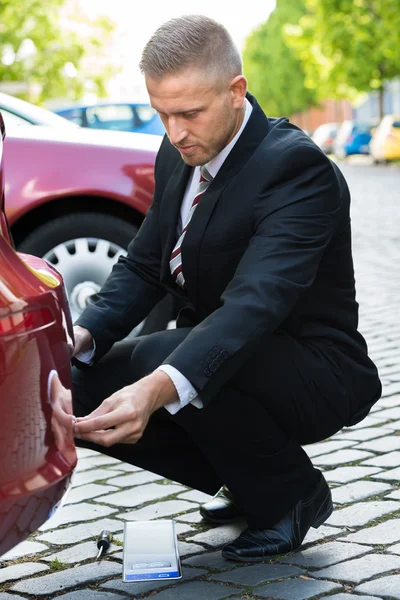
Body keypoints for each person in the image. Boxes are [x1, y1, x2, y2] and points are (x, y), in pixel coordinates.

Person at [70, 15, 381, 561]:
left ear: (236, 91)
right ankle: (242, 475)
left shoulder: (296, 168)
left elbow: (254, 306)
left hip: (314, 370)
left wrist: (156, 388)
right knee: (75, 386)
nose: (174, 132)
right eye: (161, 113)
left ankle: (290, 493)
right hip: (228, 358)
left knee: (166, 361)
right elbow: (145, 266)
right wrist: (83, 335)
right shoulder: (178, 152)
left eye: (190, 113)